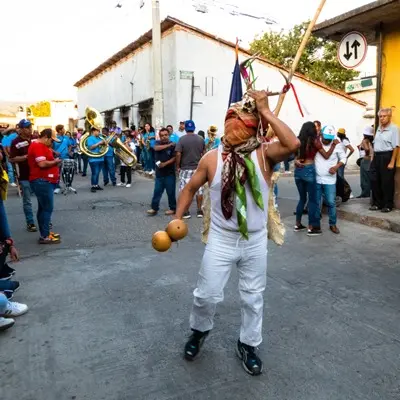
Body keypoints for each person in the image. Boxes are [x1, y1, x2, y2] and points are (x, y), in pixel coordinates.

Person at [176, 90, 299, 376]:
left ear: (254, 126)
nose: (234, 125)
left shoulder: (265, 155)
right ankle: (199, 331)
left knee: (253, 297)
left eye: (241, 120)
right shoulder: (211, 158)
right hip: (221, 238)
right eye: (230, 119)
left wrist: (267, 111)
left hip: (254, 241)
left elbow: (292, 143)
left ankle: (248, 344)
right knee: (206, 295)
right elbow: (190, 188)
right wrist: (178, 217)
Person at [294, 122, 339, 235]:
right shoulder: (315, 141)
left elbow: (293, 155)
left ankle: (298, 224)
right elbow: (326, 155)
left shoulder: (297, 141)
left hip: (298, 171)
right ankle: (312, 227)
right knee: (313, 200)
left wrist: (295, 161)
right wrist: (333, 145)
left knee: (302, 199)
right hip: (309, 170)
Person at [28, 129, 62, 244]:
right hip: (42, 181)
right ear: (46, 137)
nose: (52, 143)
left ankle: (45, 233)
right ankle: (45, 236)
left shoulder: (40, 145)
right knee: (47, 208)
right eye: (52, 140)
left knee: (43, 208)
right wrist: (55, 162)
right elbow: (42, 164)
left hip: (43, 181)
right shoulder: (38, 146)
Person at [314, 126, 347, 235]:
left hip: (330, 180)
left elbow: (343, 158)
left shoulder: (338, 145)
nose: (327, 141)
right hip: (317, 178)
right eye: (325, 138)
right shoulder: (316, 143)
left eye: (329, 139)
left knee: (331, 202)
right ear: (322, 135)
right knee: (316, 202)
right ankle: (315, 224)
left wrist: (337, 167)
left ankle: (332, 224)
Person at [9, 119, 37, 233]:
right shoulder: (15, 142)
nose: (30, 129)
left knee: (42, 199)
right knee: (27, 201)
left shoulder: (35, 138)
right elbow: (12, 158)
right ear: (20, 129)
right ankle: (30, 222)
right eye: (27, 127)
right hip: (25, 175)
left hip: (38, 174)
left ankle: (44, 220)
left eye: (30, 127)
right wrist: (25, 157)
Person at [370, 108, 399, 212]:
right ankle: (377, 203)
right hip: (377, 156)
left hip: (387, 156)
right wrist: (372, 157)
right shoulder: (378, 128)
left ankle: (388, 205)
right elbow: (375, 143)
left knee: (386, 182)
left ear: (389, 116)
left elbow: (396, 146)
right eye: (380, 116)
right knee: (374, 180)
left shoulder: (394, 128)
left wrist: (392, 161)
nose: (381, 118)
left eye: (384, 116)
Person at [175, 120, 205, 219]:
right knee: (199, 190)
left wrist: (178, 166)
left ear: (186, 128)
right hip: (198, 168)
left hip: (185, 168)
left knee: (185, 190)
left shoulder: (181, 139)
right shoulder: (201, 139)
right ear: (194, 128)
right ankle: (199, 210)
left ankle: (186, 211)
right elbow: (203, 154)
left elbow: (178, 153)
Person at [147, 128, 176, 216]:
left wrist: (165, 164)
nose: (164, 137)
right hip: (159, 173)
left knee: (170, 192)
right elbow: (156, 148)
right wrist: (168, 145)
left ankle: (173, 208)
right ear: (159, 136)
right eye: (162, 135)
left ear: (169, 135)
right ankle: (154, 208)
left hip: (170, 173)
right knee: (157, 191)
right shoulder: (157, 143)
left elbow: (175, 158)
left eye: (165, 135)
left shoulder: (174, 146)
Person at [53, 124, 72, 194]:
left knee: (67, 172)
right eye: (63, 129)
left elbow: (70, 145)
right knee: (57, 173)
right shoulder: (54, 138)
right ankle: (57, 186)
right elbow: (50, 148)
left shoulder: (66, 138)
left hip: (66, 157)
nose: (64, 130)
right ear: (60, 130)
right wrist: (55, 152)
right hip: (57, 158)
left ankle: (67, 186)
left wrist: (69, 152)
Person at [86, 127, 105, 193]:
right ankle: (93, 186)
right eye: (98, 131)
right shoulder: (90, 138)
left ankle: (96, 185)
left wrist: (104, 144)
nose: (99, 132)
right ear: (93, 131)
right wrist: (99, 143)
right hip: (93, 159)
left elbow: (103, 146)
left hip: (101, 158)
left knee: (98, 173)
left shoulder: (99, 138)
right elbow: (91, 147)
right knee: (95, 173)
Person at [357, 126, 374, 198]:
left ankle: (364, 194)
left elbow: (367, 149)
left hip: (366, 160)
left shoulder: (364, 141)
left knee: (364, 179)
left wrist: (366, 154)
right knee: (369, 178)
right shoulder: (372, 141)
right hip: (371, 160)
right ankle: (369, 193)